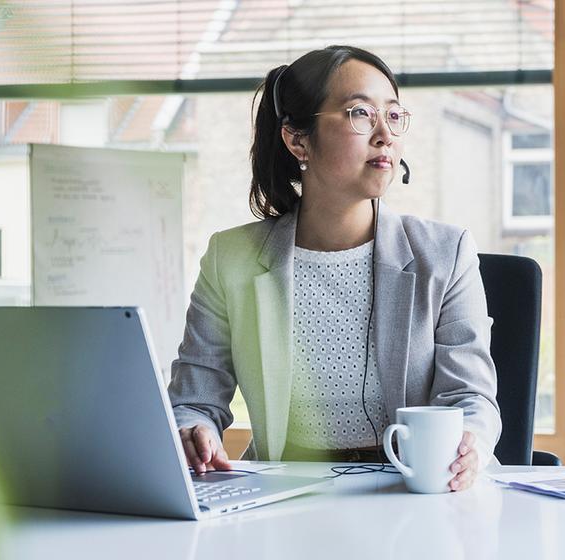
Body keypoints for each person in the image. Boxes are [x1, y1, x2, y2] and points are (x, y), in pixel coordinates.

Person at [167, 45, 500, 492]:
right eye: (360, 114)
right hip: (283, 497)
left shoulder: (446, 253)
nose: (385, 135)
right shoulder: (232, 258)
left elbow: (471, 397)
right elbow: (192, 399)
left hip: (414, 491)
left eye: (395, 116)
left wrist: (469, 442)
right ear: (297, 139)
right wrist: (193, 430)